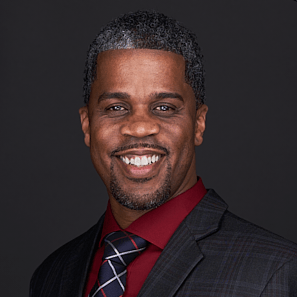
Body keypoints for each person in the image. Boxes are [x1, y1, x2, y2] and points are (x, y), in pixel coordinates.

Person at [30, 10, 297, 297]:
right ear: (87, 125)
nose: (140, 127)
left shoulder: (276, 273)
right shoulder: (52, 274)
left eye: (164, 108)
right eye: (116, 108)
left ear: (198, 123)